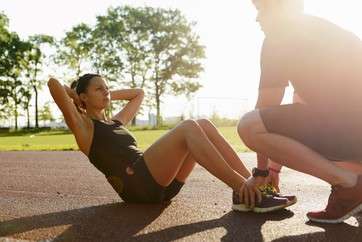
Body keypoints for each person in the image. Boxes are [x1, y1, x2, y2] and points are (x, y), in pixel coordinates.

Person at [48, 74, 294, 212]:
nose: (106, 92)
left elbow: (139, 93)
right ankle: (245, 189)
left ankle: (256, 187)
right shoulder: (85, 129)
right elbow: (53, 84)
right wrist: (75, 99)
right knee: (187, 127)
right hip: (138, 184)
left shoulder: (116, 122)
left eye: (107, 88)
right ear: (82, 97)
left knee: (204, 124)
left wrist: (107, 94)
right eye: (98, 89)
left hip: (161, 186)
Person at [237, 0, 362, 223]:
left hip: (351, 131)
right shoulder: (327, 32)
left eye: (262, 9)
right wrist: (274, 171)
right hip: (352, 132)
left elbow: (264, 111)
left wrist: (262, 173)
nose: (258, 18)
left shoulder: (278, 39)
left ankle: (349, 185)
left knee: (248, 126)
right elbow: (298, 106)